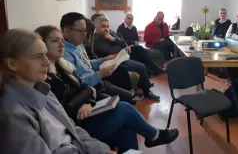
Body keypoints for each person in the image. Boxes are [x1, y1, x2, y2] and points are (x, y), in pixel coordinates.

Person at [34, 25, 180, 153]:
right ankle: (153, 135)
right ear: (41, 46)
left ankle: (152, 135)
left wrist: (89, 99)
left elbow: (84, 87)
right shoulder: (44, 77)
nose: (61, 44)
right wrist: (87, 96)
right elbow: (63, 109)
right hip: (75, 127)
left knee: (126, 128)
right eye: (54, 41)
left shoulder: (63, 66)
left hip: (86, 112)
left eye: (61, 40)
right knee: (124, 108)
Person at [0, 29, 115, 154]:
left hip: (78, 148)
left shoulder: (44, 91)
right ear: (12, 64)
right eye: (37, 57)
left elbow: (72, 129)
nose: (47, 62)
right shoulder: (12, 114)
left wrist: (103, 151)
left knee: (126, 133)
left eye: (45, 54)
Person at [60, 12, 143, 103]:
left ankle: (132, 95)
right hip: (90, 89)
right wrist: (99, 74)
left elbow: (87, 63)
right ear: (66, 31)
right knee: (124, 103)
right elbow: (77, 84)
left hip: (98, 82)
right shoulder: (64, 54)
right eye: (81, 31)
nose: (85, 35)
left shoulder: (79, 45)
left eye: (85, 31)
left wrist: (103, 60)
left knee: (129, 98)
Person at [94, 14, 165, 76]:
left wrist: (113, 39)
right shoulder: (98, 38)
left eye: (107, 26)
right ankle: (154, 70)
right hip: (119, 56)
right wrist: (123, 45)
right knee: (139, 51)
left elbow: (123, 42)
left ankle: (153, 70)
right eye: (103, 26)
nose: (106, 29)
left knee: (139, 49)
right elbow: (110, 51)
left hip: (126, 49)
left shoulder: (111, 32)